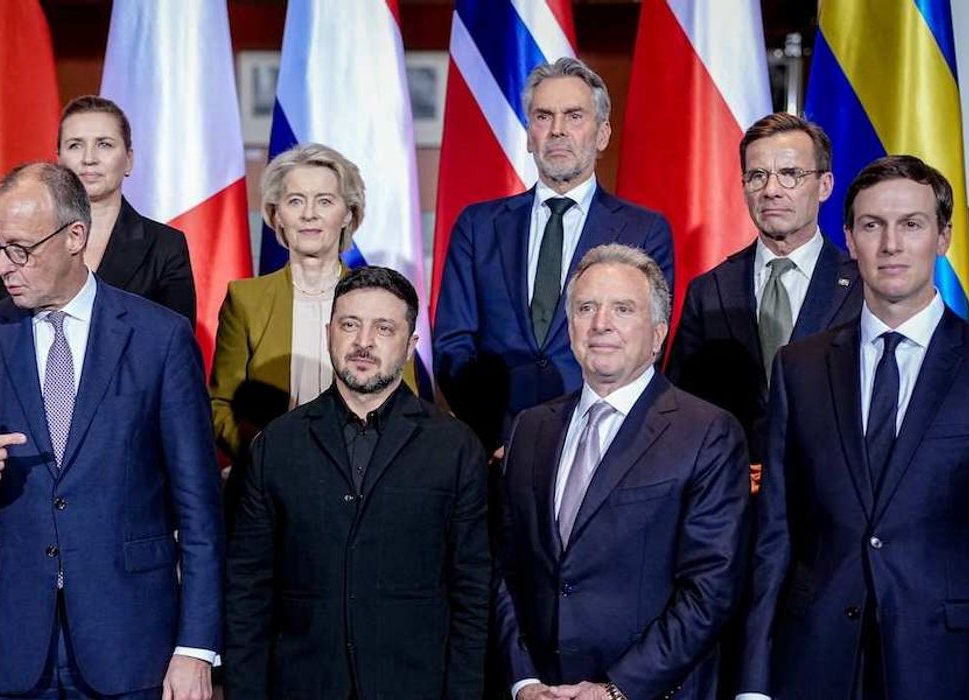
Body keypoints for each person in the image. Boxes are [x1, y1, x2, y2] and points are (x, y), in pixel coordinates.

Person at [0, 163, 222, 699]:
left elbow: (199, 510)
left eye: (20, 248)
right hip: (9, 641)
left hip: (131, 640)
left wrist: (195, 646)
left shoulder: (161, 339)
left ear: (74, 237)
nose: (5, 266)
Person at [739, 156, 969, 699]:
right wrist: (753, 682)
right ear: (849, 237)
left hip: (944, 663)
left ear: (943, 237)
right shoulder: (799, 366)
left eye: (910, 224)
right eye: (872, 225)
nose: (890, 244)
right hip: (815, 661)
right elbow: (776, 534)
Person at [496, 244, 749, 700]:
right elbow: (505, 570)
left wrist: (617, 690)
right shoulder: (530, 428)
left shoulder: (707, 432)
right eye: (586, 308)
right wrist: (524, 681)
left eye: (622, 308)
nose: (600, 324)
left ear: (657, 334)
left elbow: (710, 588)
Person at [225, 266, 490, 699]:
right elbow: (248, 593)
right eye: (350, 324)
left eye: (384, 328)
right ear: (329, 332)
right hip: (301, 686)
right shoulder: (276, 446)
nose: (363, 342)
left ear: (410, 346)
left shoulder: (455, 448)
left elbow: (472, 595)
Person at [434, 57, 674, 452]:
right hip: (495, 450)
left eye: (574, 116)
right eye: (544, 117)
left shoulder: (644, 231)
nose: (558, 130)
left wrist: (592, 436)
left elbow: (647, 345)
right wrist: (497, 436)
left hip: (600, 447)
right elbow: (452, 343)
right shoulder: (478, 226)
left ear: (602, 134)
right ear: (529, 135)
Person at [668, 113, 860, 471]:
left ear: (825, 185)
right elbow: (681, 407)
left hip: (829, 502)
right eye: (757, 176)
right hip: (733, 498)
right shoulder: (709, 291)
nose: (771, 190)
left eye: (790, 174)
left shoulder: (863, 288)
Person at [209, 143, 416, 467]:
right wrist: (262, 452)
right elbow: (220, 404)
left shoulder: (383, 300)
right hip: (273, 476)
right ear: (277, 213)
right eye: (295, 201)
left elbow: (407, 402)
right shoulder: (245, 299)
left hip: (365, 475)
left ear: (348, 212)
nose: (309, 214)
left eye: (324, 201)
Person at [0, 96, 196, 326]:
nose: (89, 159)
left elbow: (174, 342)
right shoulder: (20, 238)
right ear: (58, 159)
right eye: (75, 145)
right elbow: (0, 328)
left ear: (128, 160)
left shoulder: (165, 246)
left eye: (104, 144)